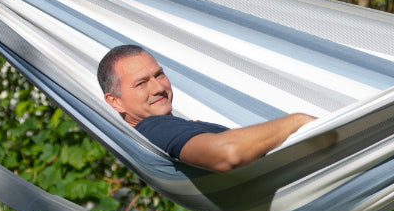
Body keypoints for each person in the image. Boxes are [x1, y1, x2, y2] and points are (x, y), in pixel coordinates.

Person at [98, 44, 315, 172]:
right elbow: (228, 154)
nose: (159, 87)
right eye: (141, 83)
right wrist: (297, 121)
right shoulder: (154, 128)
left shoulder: (165, 126)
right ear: (115, 101)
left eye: (159, 74)